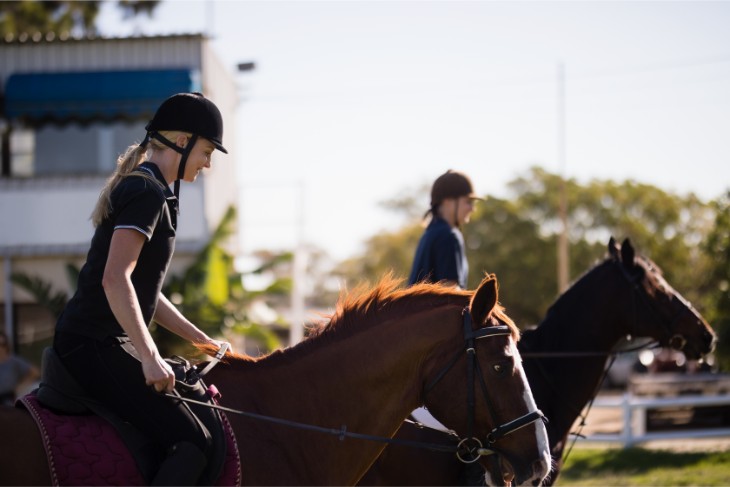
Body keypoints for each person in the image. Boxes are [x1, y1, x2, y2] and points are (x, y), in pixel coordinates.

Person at [53, 92, 231, 486]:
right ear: (182, 142)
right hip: (91, 342)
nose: (208, 163)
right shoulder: (147, 193)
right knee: (193, 441)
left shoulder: (155, 190)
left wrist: (201, 339)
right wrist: (150, 357)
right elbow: (114, 279)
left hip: (100, 340)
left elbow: (144, 290)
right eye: (207, 151)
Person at [408, 169, 483, 289]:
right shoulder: (448, 235)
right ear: (448, 201)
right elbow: (450, 291)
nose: (472, 208)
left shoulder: (430, 233)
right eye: (468, 202)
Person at [0, 332, 40, 406]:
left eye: (3, 344)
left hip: (8, 398)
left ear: (6, 346)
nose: (0, 348)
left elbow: (35, 372)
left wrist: (22, 385)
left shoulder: (13, 360)